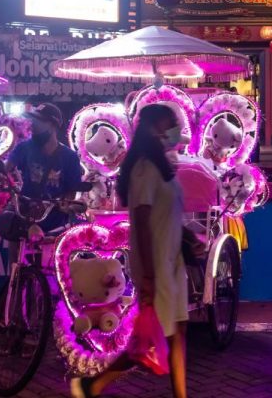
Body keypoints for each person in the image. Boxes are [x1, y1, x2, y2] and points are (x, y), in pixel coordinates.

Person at [72, 103, 189, 398]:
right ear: (153, 127)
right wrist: (149, 274)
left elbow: (169, 214)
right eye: (169, 122)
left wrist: (188, 239)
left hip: (172, 262)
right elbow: (142, 221)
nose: (174, 128)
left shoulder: (163, 166)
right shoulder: (144, 168)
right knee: (150, 341)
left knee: (177, 334)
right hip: (157, 265)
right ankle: (91, 384)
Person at [6, 103, 83, 233]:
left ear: (53, 125)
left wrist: (66, 204)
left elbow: (72, 191)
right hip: (25, 217)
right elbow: (6, 169)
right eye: (32, 120)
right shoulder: (23, 148)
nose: (33, 125)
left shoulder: (70, 157)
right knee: (15, 248)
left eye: (38, 121)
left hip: (56, 224)